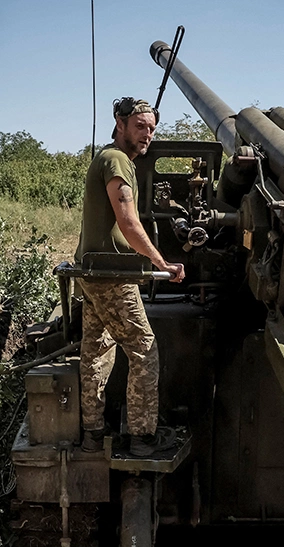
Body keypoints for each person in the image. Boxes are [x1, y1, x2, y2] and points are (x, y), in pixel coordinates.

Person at [75, 97, 184, 457]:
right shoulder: (116, 160)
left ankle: (92, 434)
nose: (147, 134)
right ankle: (142, 438)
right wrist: (161, 262)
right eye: (140, 126)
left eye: (151, 128)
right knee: (143, 350)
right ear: (119, 124)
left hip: (93, 272)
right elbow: (128, 220)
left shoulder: (108, 158)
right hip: (111, 276)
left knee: (96, 351)